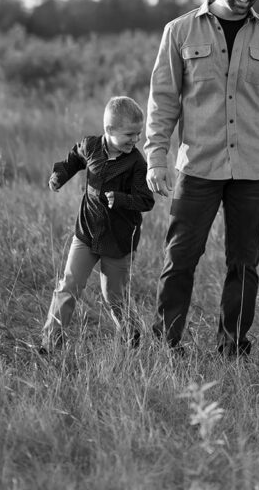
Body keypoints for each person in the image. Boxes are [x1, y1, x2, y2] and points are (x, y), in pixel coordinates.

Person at [145, 0, 259, 357]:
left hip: (252, 170)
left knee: (244, 264)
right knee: (180, 258)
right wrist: (156, 157)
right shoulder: (180, 31)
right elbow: (163, 101)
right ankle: (167, 344)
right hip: (198, 166)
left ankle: (233, 346)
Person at [41, 96, 154, 352]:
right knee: (69, 285)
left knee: (113, 295)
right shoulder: (91, 146)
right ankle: (50, 343)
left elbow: (146, 200)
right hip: (87, 232)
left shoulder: (136, 163)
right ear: (109, 130)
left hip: (118, 239)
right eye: (129, 134)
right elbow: (74, 158)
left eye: (138, 133)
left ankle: (133, 337)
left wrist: (122, 199)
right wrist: (59, 175)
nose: (136, 139)